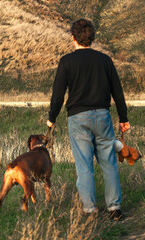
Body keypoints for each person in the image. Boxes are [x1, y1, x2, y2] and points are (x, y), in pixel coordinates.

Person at [47, 19, 131, 221]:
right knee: (109, 164)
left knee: (84, 166)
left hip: (77, 118)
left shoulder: (67, 61)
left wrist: (52, 119)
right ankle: (114, 209)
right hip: (102, 116)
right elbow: (117, 92)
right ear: (91, 38)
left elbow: (58, 95)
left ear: (73, 37)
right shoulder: (105, 60)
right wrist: (123, 118)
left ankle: (90, 210)